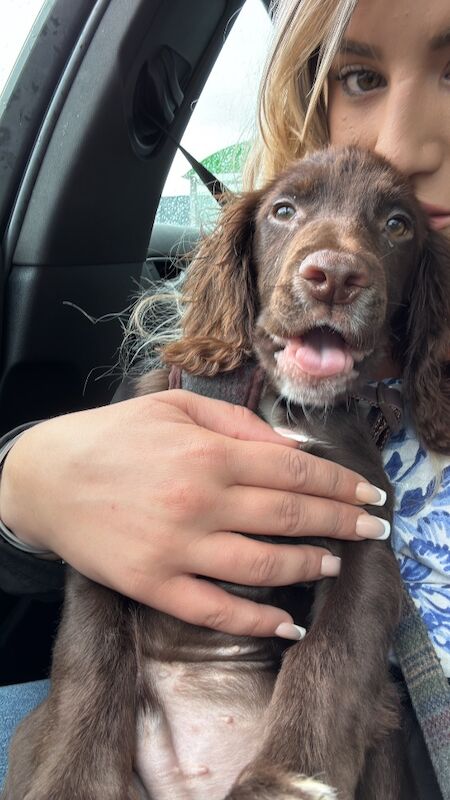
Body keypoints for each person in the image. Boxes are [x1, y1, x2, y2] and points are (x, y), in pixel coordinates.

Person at [0, 0, 448, 794]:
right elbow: (84, 543)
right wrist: (26, 485)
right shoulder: (225, 360)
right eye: (360, 76)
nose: (402, 144)